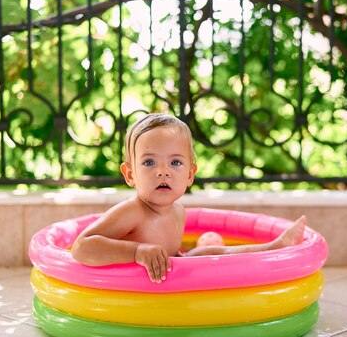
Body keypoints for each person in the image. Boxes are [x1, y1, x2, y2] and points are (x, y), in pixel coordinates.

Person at [71, 113, 307, 283]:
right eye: (149, 162)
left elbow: (173, 261)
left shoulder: (179, 212)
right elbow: (81, 247)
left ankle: (273, 247)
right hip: (133, 295)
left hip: (173, 288)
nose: (163, 171)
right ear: (130, 174)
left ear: (190, 175)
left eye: (175, 162)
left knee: (209, 255)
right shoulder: (132, 212)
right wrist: (136, 251)